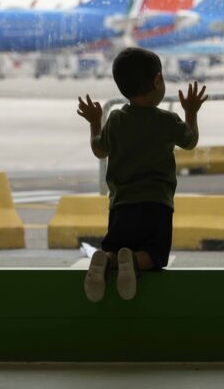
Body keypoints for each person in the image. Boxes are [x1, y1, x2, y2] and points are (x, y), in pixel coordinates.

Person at [76, 47, 207, 302]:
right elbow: (190, 141)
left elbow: (99, 150)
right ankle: (133, 262)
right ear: (157, 81)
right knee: (154, 255)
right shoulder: (167, 121)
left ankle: (106, 260)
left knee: (115, 247)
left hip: (121, 205)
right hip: (156, 204)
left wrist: (94, 121)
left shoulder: (114, 120)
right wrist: (191, 111)